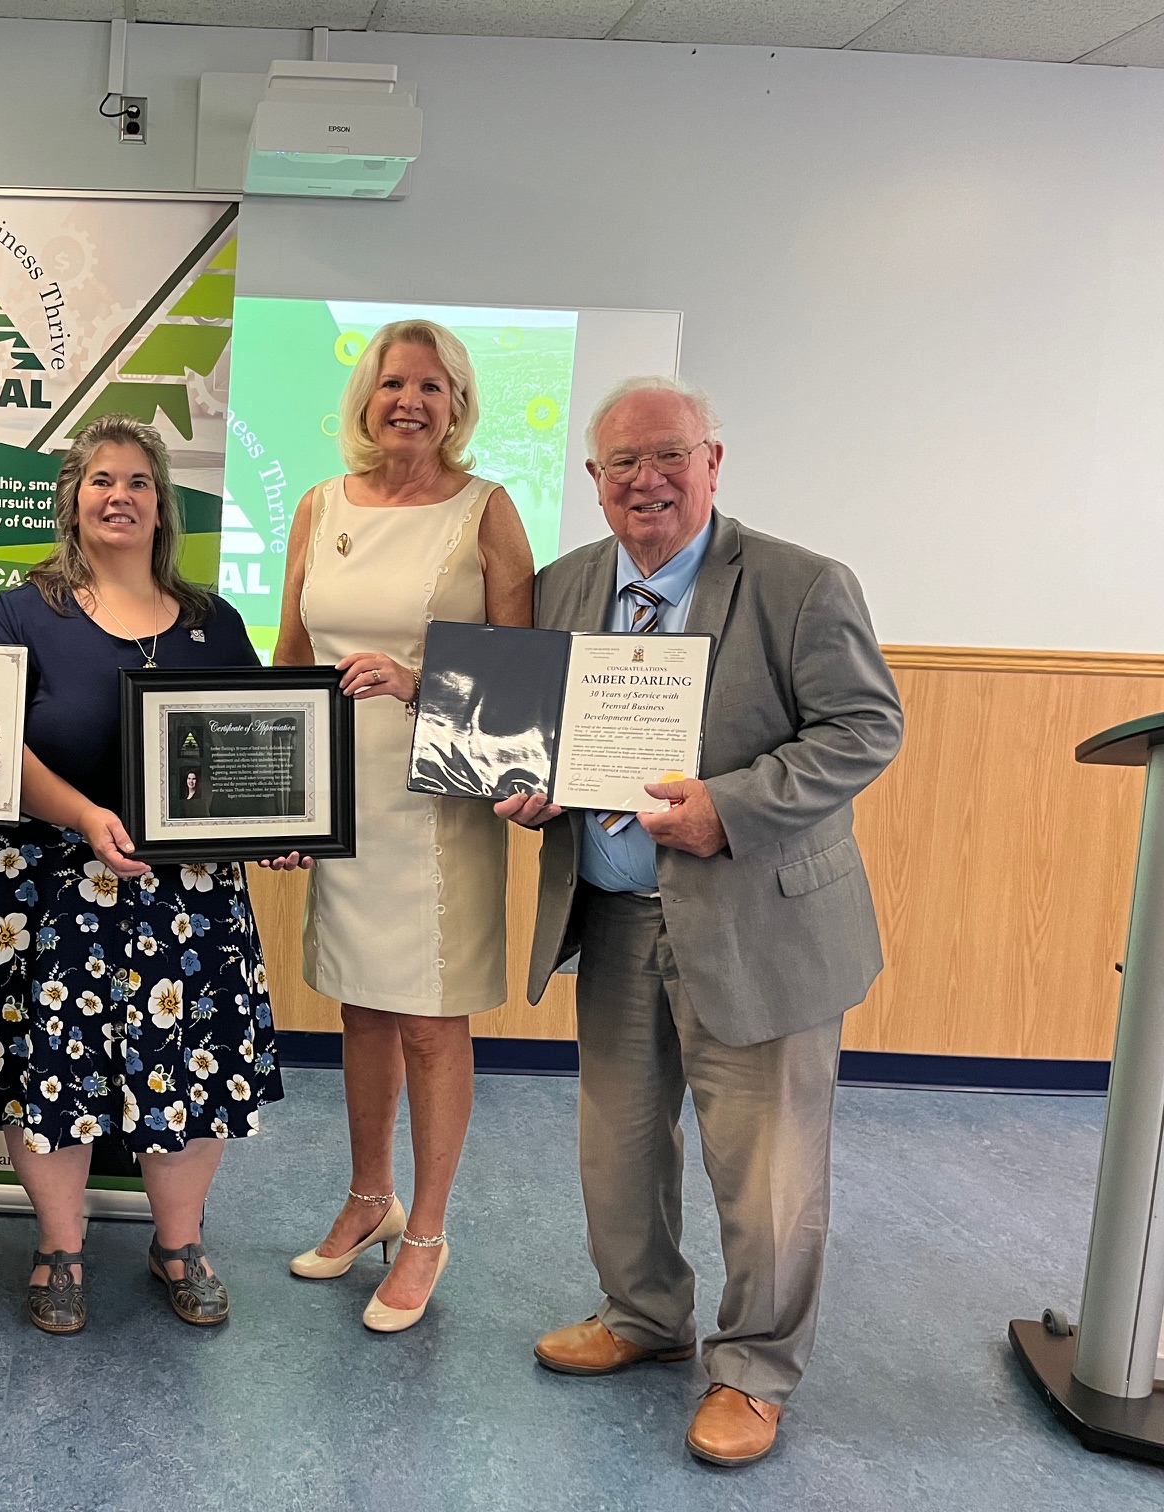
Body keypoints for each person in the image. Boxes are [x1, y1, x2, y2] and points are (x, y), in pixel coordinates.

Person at [497, 376, 902, 1467]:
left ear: (713, 462)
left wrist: (732, 807)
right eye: (623, 463)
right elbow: (543, 740)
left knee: (767, 1173)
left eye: (669, 455)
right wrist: (533, 788)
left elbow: (865, 729)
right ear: (592, 481)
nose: (648, 480)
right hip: (619, 912)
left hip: (759, 924)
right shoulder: (562, 586)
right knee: (618, 1150)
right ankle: (643, 1318)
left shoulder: (800, 584)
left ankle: (756, 1368)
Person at [0, 414, 283, 1335]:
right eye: (99, 481)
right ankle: (59, 1248)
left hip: (187, 897)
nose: (119, 496)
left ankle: (179, 1244)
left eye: (138, 482)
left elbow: (259, 747)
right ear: (71, 503)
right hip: (44, 883)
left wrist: (280, 827)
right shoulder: (21, 612)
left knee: (191, 1073)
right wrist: (84, 816)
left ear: (163, 507)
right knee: (49, 1073)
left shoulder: (214, 621)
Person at [272, 319, 534, 1332]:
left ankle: (426, 1231)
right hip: (343, 799)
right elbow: (294, 662)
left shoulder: (487, 512)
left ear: (457, 404)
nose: (409, 402)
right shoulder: (318, 506)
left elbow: (523, 680)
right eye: (392, 384)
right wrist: (280, 803)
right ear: (365, 400)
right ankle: (366, 1199)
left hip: (437, 802)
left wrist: (422, 683)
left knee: (430, 1018)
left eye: (431, 386)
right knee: (361, 1007)